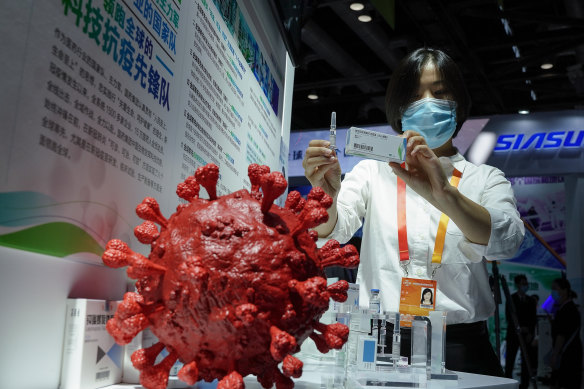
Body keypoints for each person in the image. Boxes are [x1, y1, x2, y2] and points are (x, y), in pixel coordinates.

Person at [302, 47, 525, 376]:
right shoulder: (373, 172)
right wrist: (326, 194)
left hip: (461, 349)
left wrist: (445, 193)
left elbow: (507, 239)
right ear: (399, 109)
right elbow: (333, 232)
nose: (427, 103)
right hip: (381, 343)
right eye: (414, 95)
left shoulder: (484, 178)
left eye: (439, 92)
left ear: (458, 103)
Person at [548, 278, 581, 389]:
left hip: (568, 354)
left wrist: (555, 354)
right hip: (571, 352)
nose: (552, 292)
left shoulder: (567, 309)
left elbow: (561, 335)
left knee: (567, 382)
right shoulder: (565, 308)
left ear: (564, 290)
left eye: (554, 289)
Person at [504, 274, 537, 389]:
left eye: (526, 283)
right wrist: (518, 328)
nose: (525, 286)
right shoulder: (511, 299)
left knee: (526, 362)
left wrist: (530, 333)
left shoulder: (531, 300)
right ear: (517, 285)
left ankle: (525, 384)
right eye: (523, 283)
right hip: (513, 334)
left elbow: (533, 319)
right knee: (510, 360)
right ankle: (507, 382)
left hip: (527, 335)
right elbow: (509, 317)